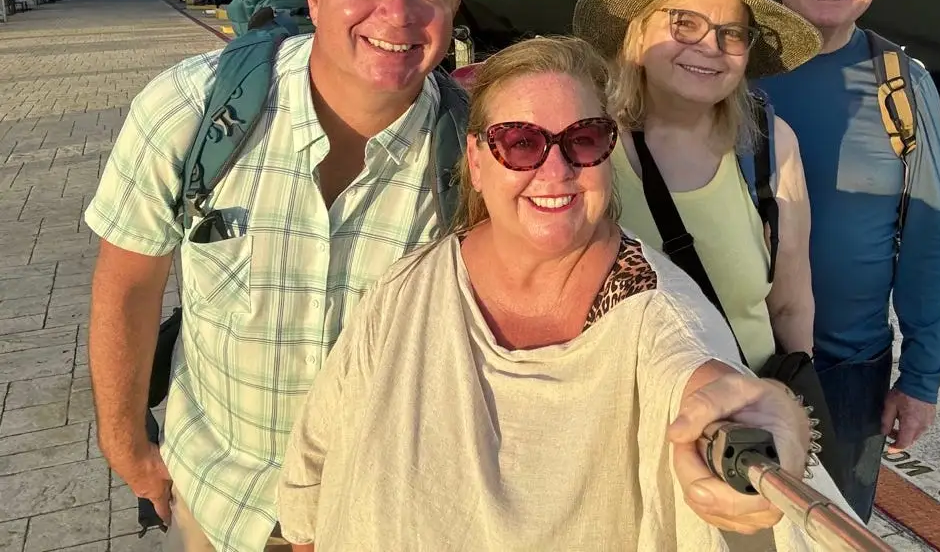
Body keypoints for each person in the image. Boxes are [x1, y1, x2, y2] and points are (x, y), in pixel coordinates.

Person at [276, 36, 829, 552]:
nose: (556, 169)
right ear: (476, 159)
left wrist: (768, 423)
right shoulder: (408, 286)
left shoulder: (657, 314)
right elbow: (317, 446)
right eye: (520, 143)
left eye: (582, 140)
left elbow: (702, 382)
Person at [84, 0, 473, 551]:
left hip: (384, 511)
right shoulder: (188, 111)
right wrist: (126, 443)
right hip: (219, 498)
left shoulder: (476, 153)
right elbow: (129, 285)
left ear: (454, 8)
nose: (399, 13)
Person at [756, 0, 940, 522]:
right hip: (735, 357)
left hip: (851, 372)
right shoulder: (724, 69)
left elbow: (929, 240)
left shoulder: (903, 83)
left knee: (839, 530)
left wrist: (920, 379)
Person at [572, 0, 823, 373]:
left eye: (733, 33)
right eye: (684, 23)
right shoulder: (586, 143)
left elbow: (790, 305)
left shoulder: (769, 146)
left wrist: (803, 403)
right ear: (638, 36)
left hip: (746, 417)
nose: (711, 45)